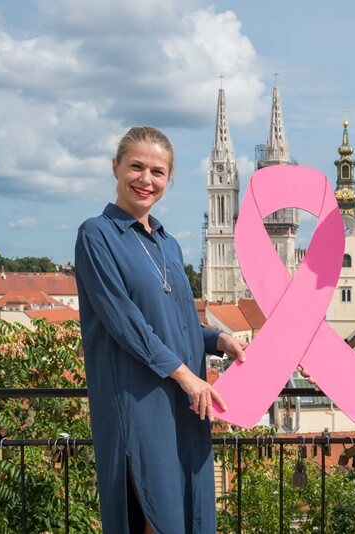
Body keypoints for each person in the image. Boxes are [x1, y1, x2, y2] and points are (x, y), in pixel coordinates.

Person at [75, 126, 246, 534]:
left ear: (168, 179)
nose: (146, 180)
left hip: (185, 403)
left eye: (157, 171)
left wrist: (219, 339)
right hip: (139, 400)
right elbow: (125, 323)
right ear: (115, 167)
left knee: (190, 514)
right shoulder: (96, 234)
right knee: (157, 517)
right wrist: (187, 377)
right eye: (136, 167)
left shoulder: (168, 243)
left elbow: (179, 321)